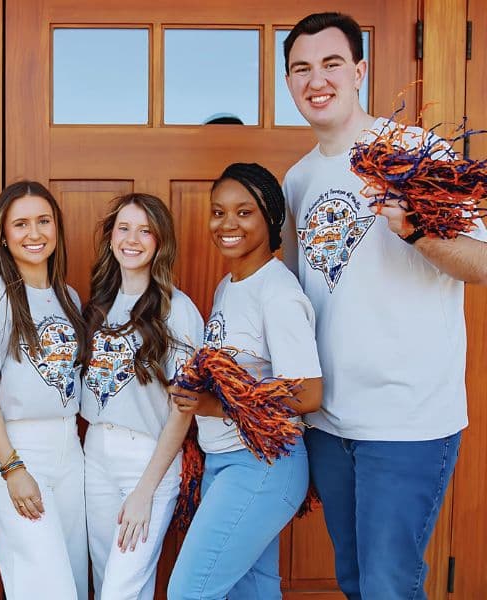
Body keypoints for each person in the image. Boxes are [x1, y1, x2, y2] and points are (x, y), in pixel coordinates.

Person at [281, 13, 487, 599]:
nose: (316, 80)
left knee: (389, 586)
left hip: (408, 420)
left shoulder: (418, 152)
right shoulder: (298, 180)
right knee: (355, 580)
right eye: (301, 69)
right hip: (329, 422)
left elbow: (483, 263)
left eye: (331, 64)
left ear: (360, 71)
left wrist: (418, 231)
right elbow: (302, 299)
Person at [167, 163, 322, 599]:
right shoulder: (229, 286)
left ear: (270, 218)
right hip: (225, 460)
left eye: (243, 212)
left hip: (263, 466)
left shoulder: (278, 294)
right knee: (252, 592)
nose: (227, 224)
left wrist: (213, 407)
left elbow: (308, 393)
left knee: (188, 592)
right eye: (218, 212)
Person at [0, 181, 88, 600]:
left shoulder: (68, 297)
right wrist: (12, 468)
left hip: (71, 451)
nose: (34, 234)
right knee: (44, 588)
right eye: (21, 224)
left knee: (70, 576)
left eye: (43, 221)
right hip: (18, 450)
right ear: (3, 233)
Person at [80, 193, 202, 600]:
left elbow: (182, 412)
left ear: (160, 242)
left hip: (148, 460)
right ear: (111, 236)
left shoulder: (177, 309)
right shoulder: (96, 306)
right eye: (124, 228)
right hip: (95, 455)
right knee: (106, 583)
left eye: (145, 231)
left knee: (121, 590)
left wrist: (145, 490)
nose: (132, 239)